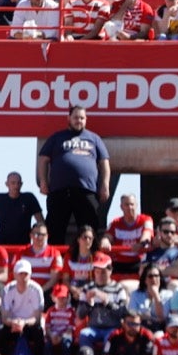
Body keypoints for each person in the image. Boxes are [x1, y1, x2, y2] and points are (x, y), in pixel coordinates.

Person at [36, 105, 111, 249]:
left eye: (82, 118)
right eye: (76, 117)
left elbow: (104, 163)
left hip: (86, 190)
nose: (79, 121)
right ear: (69, 119)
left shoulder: (94, 138)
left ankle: (89, 261)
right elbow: (43, 159)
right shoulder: (57, 137)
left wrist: (105, 184)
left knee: (89, 229)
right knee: (54, 230)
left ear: (86, 119)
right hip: (59, 191)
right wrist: (43, 181)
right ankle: (55, 262)